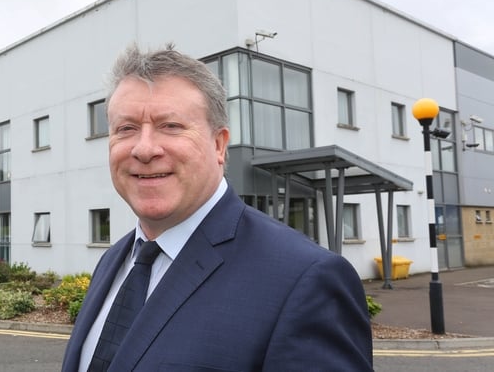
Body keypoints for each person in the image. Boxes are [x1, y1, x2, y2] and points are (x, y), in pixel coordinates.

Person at [62, 44, 373, 371]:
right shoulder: (114, 260)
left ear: (218, 144)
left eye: (171, 126)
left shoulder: (306, 280)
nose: (144, 148)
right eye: (126, 129)